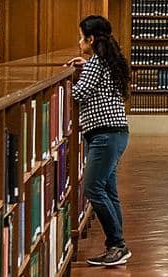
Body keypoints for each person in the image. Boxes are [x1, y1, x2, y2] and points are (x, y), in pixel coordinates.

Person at [68, 15, 132, 267]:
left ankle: (117, 244)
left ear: (90, 38)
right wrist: (85, 66)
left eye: (81, 36)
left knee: (93, 188)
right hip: (116, 133)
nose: (79, 41)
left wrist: (72, 78)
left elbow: (78, 93)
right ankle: (117, 245)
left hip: (104, 135)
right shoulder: (106, 60)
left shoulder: (96, 63)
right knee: (108, 190)